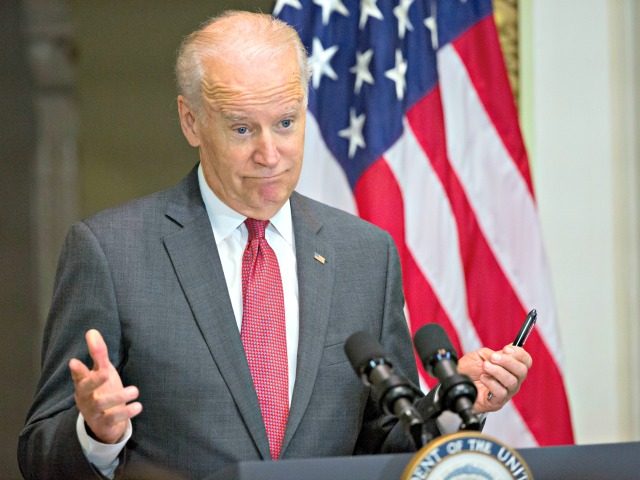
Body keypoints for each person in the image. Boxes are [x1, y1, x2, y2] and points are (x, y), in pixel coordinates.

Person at [18, 11, 532, 480]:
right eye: (242, 129)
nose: (270, 154)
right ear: (191, 120)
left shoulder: (365, 255)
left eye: (286, 123)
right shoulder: (111, 252)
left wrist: (451, 402)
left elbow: (383, 443)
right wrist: (97, 434)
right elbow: (39, 451)